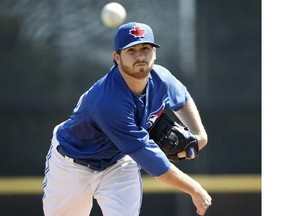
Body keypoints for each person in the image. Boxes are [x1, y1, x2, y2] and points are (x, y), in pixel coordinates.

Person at [42, 21, 212, 216]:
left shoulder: (162, 78)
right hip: (73, 164)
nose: (140, 56)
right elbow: (151, 160)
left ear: (154, 53)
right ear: (117, 57)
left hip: (119, 163)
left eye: (146, 48)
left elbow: (182, 99)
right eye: (131, 50)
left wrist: (200, 134)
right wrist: (194, 189)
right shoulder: (109, 102)